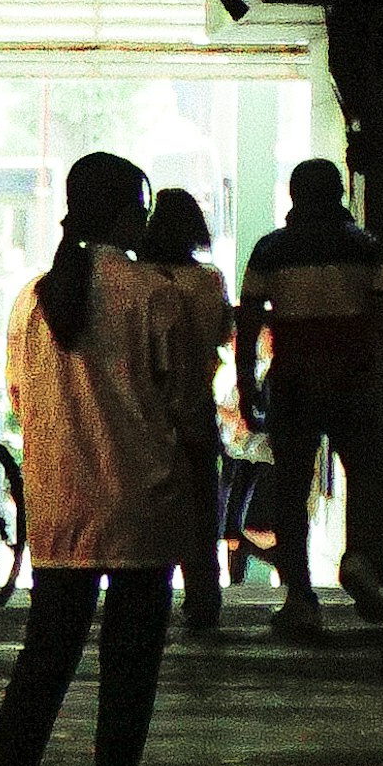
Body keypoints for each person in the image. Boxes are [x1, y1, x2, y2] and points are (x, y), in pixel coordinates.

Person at [0, 151, 186, 766]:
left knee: (44, 659)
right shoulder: (153, 294)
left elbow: (20, 401)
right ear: (121, 212)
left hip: (59, 507)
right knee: (129, 663)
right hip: (138, 505)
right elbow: (179, 403)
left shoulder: (32, 298)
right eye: (139, 205)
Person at [234, 154, 383, 641]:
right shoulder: (365, 248)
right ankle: (360, 561)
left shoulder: (270, 250)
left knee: (291, 489)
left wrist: (248, 386)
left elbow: (248, 323)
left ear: (293, 196)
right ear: (339, 195)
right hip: (356, 381)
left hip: (294, 383)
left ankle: (300, 598)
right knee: (369, 478)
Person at [138, 185, 232, 645]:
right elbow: (222, 335)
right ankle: (203, 598)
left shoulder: (142, 281)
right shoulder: (210, 281)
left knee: (151, 509)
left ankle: (144, 598)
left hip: (148, 413)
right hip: (197, 407)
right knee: (201, 508)